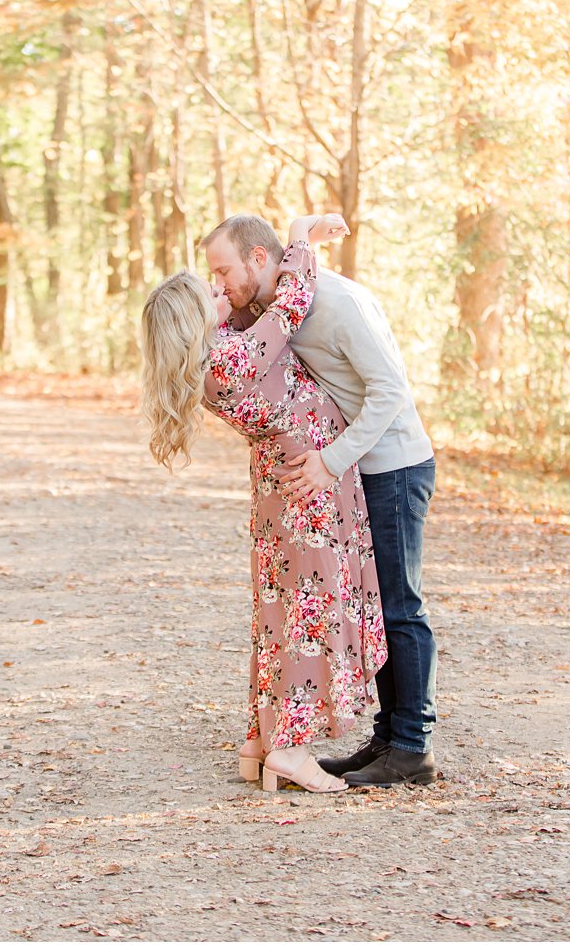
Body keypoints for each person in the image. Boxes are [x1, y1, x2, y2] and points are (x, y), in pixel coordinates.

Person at [140, 213, 386, 793]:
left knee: (278, 616)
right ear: (193, 319)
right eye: (209, 288)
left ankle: (260, 740)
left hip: (281, 486)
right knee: (310, 615)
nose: (219, 286)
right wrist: (299, 237)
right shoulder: (236, 356)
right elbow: (292, 299)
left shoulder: (214, 356)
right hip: (306, 486)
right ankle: (294, 750)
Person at [203, 213, 439, 787]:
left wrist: (331, 459)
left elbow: (391, 391)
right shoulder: (265, 309)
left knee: (398, 607)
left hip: (393, 465)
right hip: (352, 470)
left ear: (261, 260)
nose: (218, 284)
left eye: (223, 270)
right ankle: (384, 739)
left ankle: (412, 745)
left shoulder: (335, 302)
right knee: (370, 604)